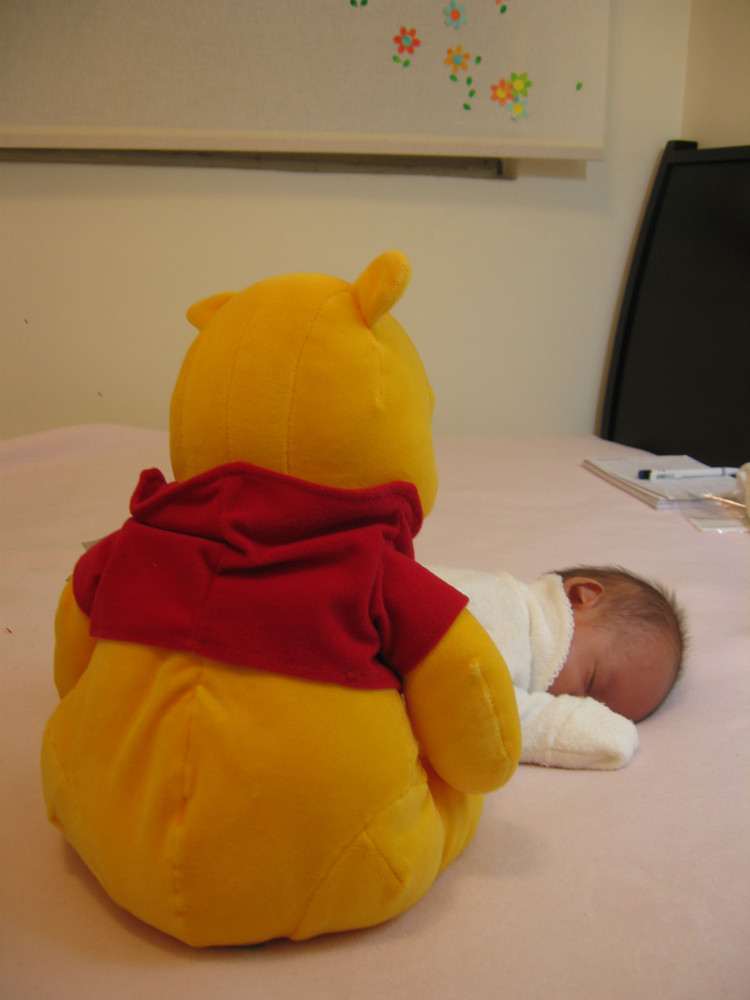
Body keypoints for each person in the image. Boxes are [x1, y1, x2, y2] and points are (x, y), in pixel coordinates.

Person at [429, 564, 686, 770]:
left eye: (598, 710)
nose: (575, 704)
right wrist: (594, 731)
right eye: (591, 681)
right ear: (580, 597)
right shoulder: (505, 610)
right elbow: (486, 713)